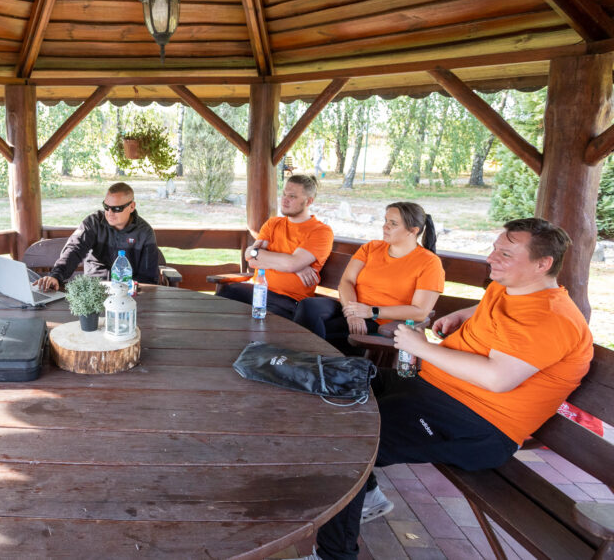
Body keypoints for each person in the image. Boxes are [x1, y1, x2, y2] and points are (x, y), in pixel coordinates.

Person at [288, 218, 593, 560]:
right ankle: (367, 492)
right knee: (332, 381)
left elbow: (498, 378)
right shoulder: (511, 288)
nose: (492, 258)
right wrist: (463, 315)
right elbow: (495, 310)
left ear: (543, 264)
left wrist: (422, 348)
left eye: (505, 253)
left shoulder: (551, 317)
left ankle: (334, 555)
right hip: (432, 391)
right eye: (494, 248)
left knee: (347, 444)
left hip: (477, 425)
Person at [293, 202, 444, 354]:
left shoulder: (429, 262)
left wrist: (372, 312)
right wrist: (353, 313)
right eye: (385, 221)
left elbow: (420, 312)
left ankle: (303, 366)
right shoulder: (372, 247)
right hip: (350, 307)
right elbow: (347, 282)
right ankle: (305, 365)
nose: (385, 227)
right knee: (308, 306)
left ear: (412, 231)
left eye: (393, 223)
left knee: (312, 332)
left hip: (381, 322)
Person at [218, 174, 333, 319]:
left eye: (292, 196)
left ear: (308, 201)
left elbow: (290, 264)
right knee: (222, 300)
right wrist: (295, 266)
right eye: (284, 193)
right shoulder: (273, 224)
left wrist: (288, 263)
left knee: (261, 323)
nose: (284, 199)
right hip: (257, 290)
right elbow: (252, 260)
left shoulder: (320, 231)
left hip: (287, 300)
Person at [35, 182, 159, 291]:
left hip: (128, 291)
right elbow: (74, 249)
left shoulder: (144, 232)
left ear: (132, 207)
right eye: (106, 207)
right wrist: (56, 275)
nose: (109, 213)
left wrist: (131, 292)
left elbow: (147, 278)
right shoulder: (93, 223)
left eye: (116, 208)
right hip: (94, 288)